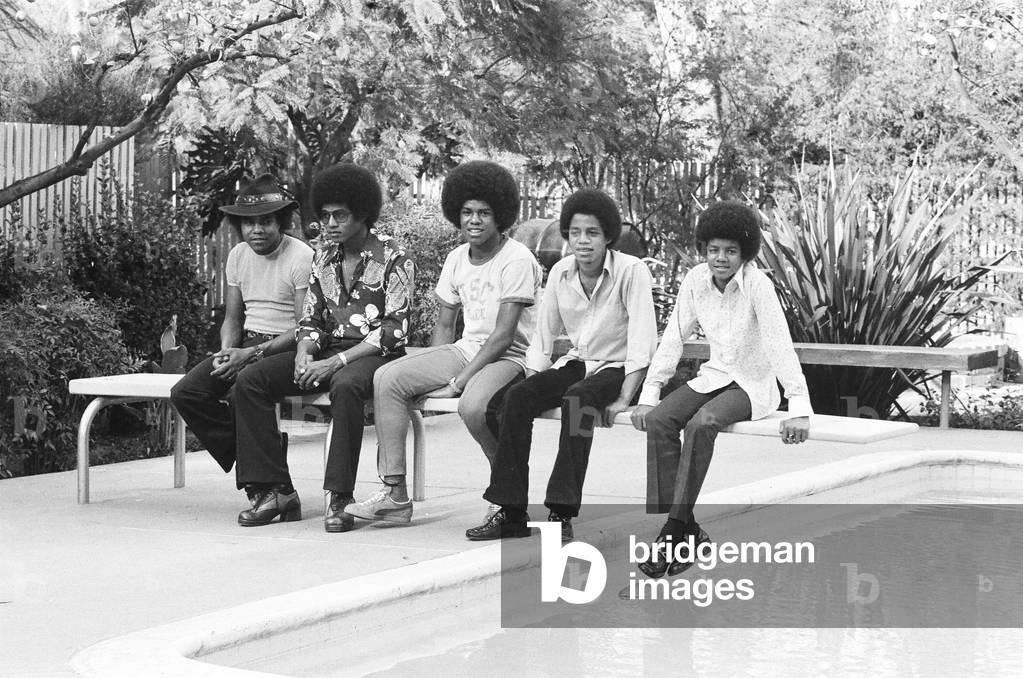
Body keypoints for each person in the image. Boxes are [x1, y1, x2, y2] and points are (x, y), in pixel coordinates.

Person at [344, 160, 542, 525]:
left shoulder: (517, 259)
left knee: (473, 407)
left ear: (501, 215)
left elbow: (503, 337)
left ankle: (507, 493)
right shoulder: (456, 258)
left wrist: (457, 382)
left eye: (484, 213)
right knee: (388, 378)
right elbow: (446, 325)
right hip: (468, 350)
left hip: (511, 357)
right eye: (467, 212)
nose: (474, 220)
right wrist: (430, 370)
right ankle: (394, 494)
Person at [630, 200, 812, 577]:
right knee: (661, 420)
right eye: (713, 249)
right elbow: (674, 337)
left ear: (744, 253)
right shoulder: (695, 281)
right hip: (714, 376)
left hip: (751, 385)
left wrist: (798, 405)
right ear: (704, 248)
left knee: (702, 424)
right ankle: (689, 530)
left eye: (730, 250)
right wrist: (650, 394)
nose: (721, 258)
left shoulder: (758, 285)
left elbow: (779, 343)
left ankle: (672, 532)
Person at [231, 164, 416, 529]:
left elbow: (395, 330)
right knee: (250, 380)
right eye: (325, 215)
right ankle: (274, 491)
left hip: (375, 354)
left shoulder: (395, 256)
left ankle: (341, 497)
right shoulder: (324, 257)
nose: (330, 223)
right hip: (328, 351)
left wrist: (336, 362)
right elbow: (311, 320)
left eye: (340, 215)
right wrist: (304, 353)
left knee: (345, 385)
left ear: (362, 213)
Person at [466, 188, 658, 541]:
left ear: (608, 236)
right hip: (578, 361)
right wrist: (532, 384)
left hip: (617, 368)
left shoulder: (632, 271)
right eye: (575, 233)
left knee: (577, 401)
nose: (583, 241)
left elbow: (643, 342)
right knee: (517, 397)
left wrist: (625, 397)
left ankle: (561, 511)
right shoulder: (561, 272)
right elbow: (543, 337)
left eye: (592, 233)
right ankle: (510, 512)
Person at [170, 174, 313, 474]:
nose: (257, 230)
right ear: (240, 226)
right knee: (186, 393)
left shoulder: (301, 256)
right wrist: (226, 352)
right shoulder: (238, 255)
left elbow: (305, 327)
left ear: (281, 222)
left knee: (242, 393)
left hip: (287, 348)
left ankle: (264, 471)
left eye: (266, 222)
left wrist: (251, 354)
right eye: (249, 223)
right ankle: (265, 448)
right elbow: (233, 318)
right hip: (247, 344)